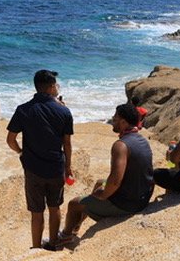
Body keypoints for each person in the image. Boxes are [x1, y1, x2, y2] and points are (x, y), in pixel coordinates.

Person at [58, 103, 154, 245]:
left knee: (74, 204)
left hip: (128, 204)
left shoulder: (121, 145)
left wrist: (102, 195)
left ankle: (65, 236)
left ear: (123, 122)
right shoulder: (141, 140)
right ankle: (77, 225)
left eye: (115, 118)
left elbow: (115, 181)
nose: (112, 120)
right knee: (99, 182)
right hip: (142, 196)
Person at [6, 70, 74, 250]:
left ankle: (36, 248)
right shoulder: (64, 111)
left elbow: (10, 140)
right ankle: (53, 244)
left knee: (36, 213)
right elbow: (67, 144)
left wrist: (21, 152)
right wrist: (68, 167)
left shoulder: (23, 110)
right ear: (51, 87)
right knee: (55, 207)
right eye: (56, 85)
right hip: (55, 168)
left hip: (33, 169)